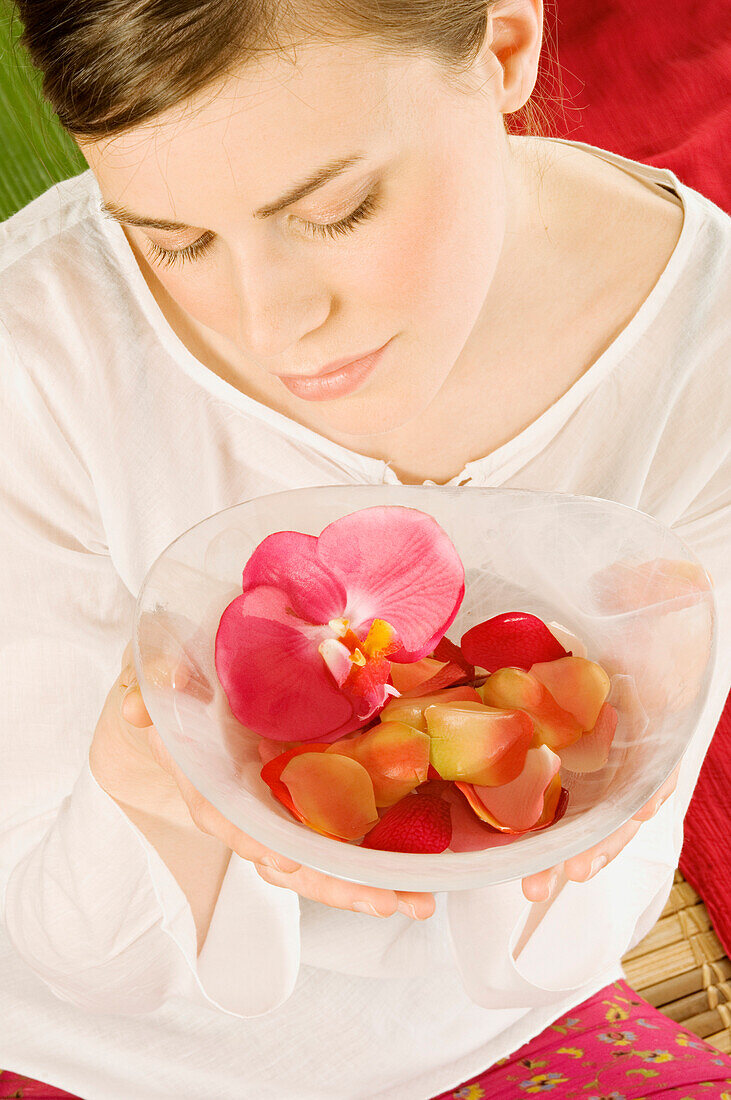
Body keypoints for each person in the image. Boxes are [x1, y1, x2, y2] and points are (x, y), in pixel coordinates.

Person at [0, 0, 729, 1097]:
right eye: (173, 241)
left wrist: (615, 783)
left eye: (337, 211)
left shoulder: (701, 345)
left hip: (481, 1039)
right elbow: (75, 954)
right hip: (75, 1048)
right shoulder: (40, 349)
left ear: (503, 46)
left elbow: (554, 953)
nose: (270, 323)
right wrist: (143, 784)